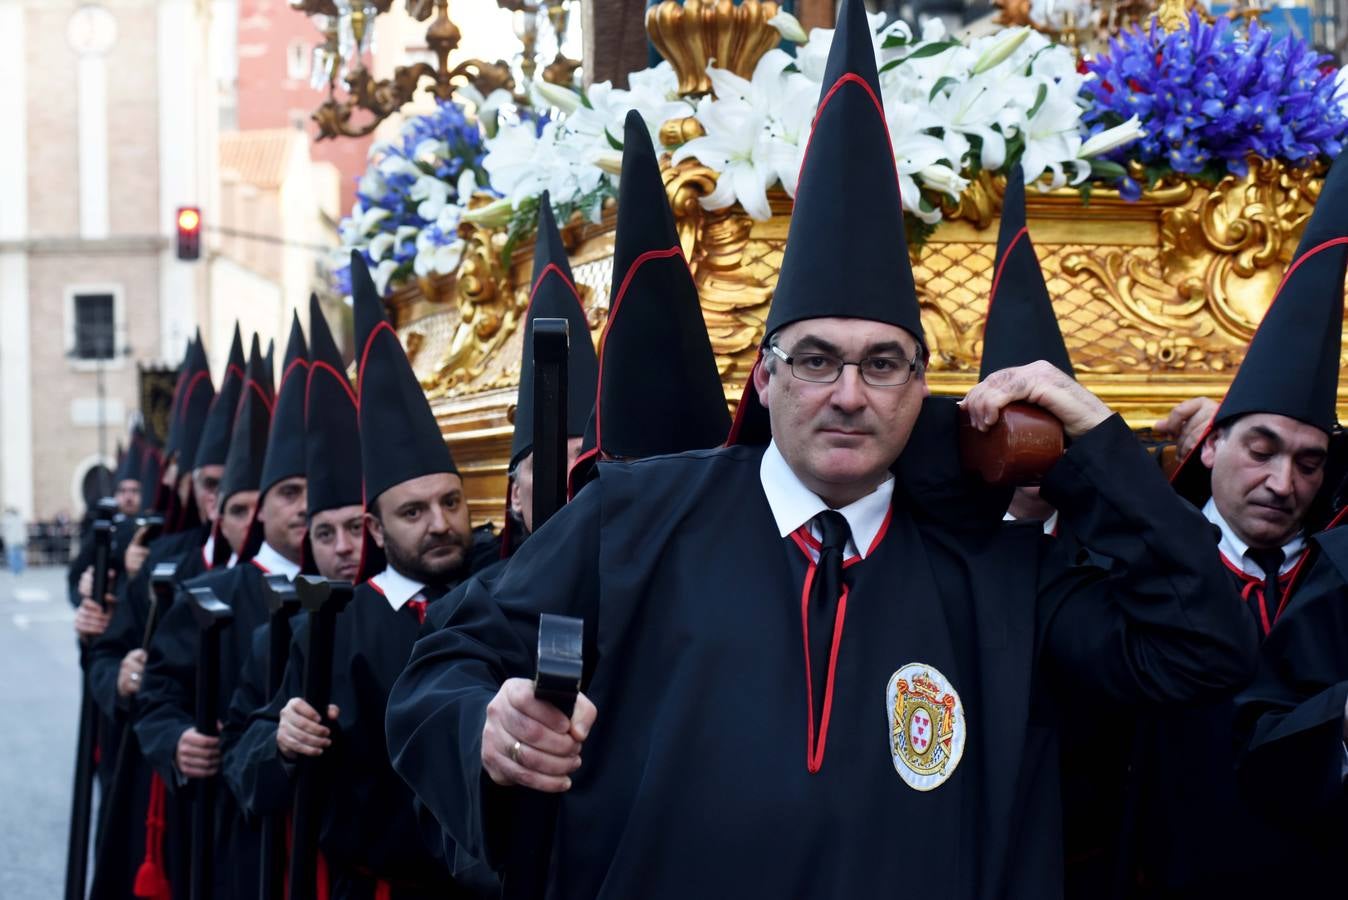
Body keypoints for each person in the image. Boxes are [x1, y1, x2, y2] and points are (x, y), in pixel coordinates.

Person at [383, 12, 1253, 892]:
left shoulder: (997, 572)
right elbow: (441, 671)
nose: (847, 393)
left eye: (883, 364)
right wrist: (485, 728)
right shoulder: (632, 522)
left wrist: (1092, 442)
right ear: (763, 380)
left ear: (923, 390)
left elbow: (1203, 647)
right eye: (815, 360)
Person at [1126, 153, 1348, 898]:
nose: (1284, 483)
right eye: (1261, 449)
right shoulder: (1145, 564)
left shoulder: (1335, 576)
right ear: (1212, 442)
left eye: (1311, 463)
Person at [249, 253, 498, 900]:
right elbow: (252, 756)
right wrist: (283, 737)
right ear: (378, 530)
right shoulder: (336, 625)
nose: (440, 524)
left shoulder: (500, 593)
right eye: (413, 512)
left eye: (450, 502)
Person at [135, 323, 306, 899]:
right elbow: (158, 698)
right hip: (232, 830)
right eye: (287, 494)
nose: (303, 509)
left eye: (313, 491)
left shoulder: (345, 593)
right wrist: (177, 738)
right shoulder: (211, 596)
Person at [88, 330, 229, 900]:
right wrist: (118, 675)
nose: (223, 501)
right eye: (213, 486)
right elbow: (107, 653)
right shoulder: (165, 560)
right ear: (187, 485)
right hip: (167, 784)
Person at [3, 506, 26, 575]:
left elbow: (4, 530)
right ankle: (19, 569)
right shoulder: (20, 519)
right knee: (18, 555)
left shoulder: (7, 519)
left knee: (13, 555)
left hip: (12, 540)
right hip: (19, 540)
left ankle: (15, 570)